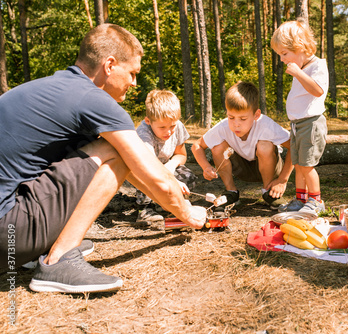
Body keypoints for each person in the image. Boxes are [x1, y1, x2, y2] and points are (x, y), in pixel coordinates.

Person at [0, 24, 206, 294]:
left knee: (109, 150)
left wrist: (167, 188)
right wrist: (189, 214)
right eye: (132, 73)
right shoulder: (94, 100)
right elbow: (141, 170)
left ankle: (47, 244)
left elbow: (137, 174)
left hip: (9, 230)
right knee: (116, 151)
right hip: (10, 234)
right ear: (109, 65)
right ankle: (57, 259)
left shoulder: (48, 89)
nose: (134, 83)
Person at [191, 81, 293, 209]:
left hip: (270, 168)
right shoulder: (223, 127)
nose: (236, 124)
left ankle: (268, 193)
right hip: (241, 169)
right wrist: (205, 167)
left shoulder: (265, 125)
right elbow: (197, 145)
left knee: (264, 145)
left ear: (256, 115)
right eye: (231, 117)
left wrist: (282, 180)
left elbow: (294, 147)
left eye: (243, 119)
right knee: (217, 148)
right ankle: (231, 192)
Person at [270, 19, 329, 216]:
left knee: (307, 164)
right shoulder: (302, 67)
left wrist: (298, 73)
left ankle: (316, 200)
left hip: (311, 124)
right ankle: (301, 199)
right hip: (297, 124)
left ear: (300, 47)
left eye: (284, 54)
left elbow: (318, 90)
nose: (282, 59)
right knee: (297, 164)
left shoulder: (318, 65)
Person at [135, 89, 197, 224]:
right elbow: (148, 167)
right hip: (146, 171)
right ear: (148, 121)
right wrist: (172, 181)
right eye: (162, 127)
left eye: (172, 126)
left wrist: (170, 166)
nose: (168, 131)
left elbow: (181, 155)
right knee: (145, 179)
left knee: (188, 177)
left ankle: (169, 202)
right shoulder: (144, 134)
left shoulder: (178, 126)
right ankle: (144, 209)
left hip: (165, 169)